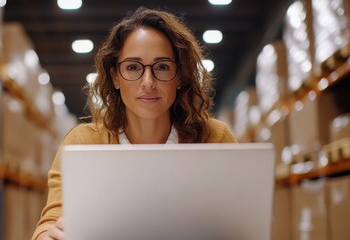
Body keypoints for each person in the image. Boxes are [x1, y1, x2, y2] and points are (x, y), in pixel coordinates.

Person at [32, 6, 237, 240]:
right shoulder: (82, 143)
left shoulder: (214, 139)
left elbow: (243, 224)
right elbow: (48, 224)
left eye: (162, 67)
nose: (148, 82)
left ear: (179, 76)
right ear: (115, 77)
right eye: (132, 67)